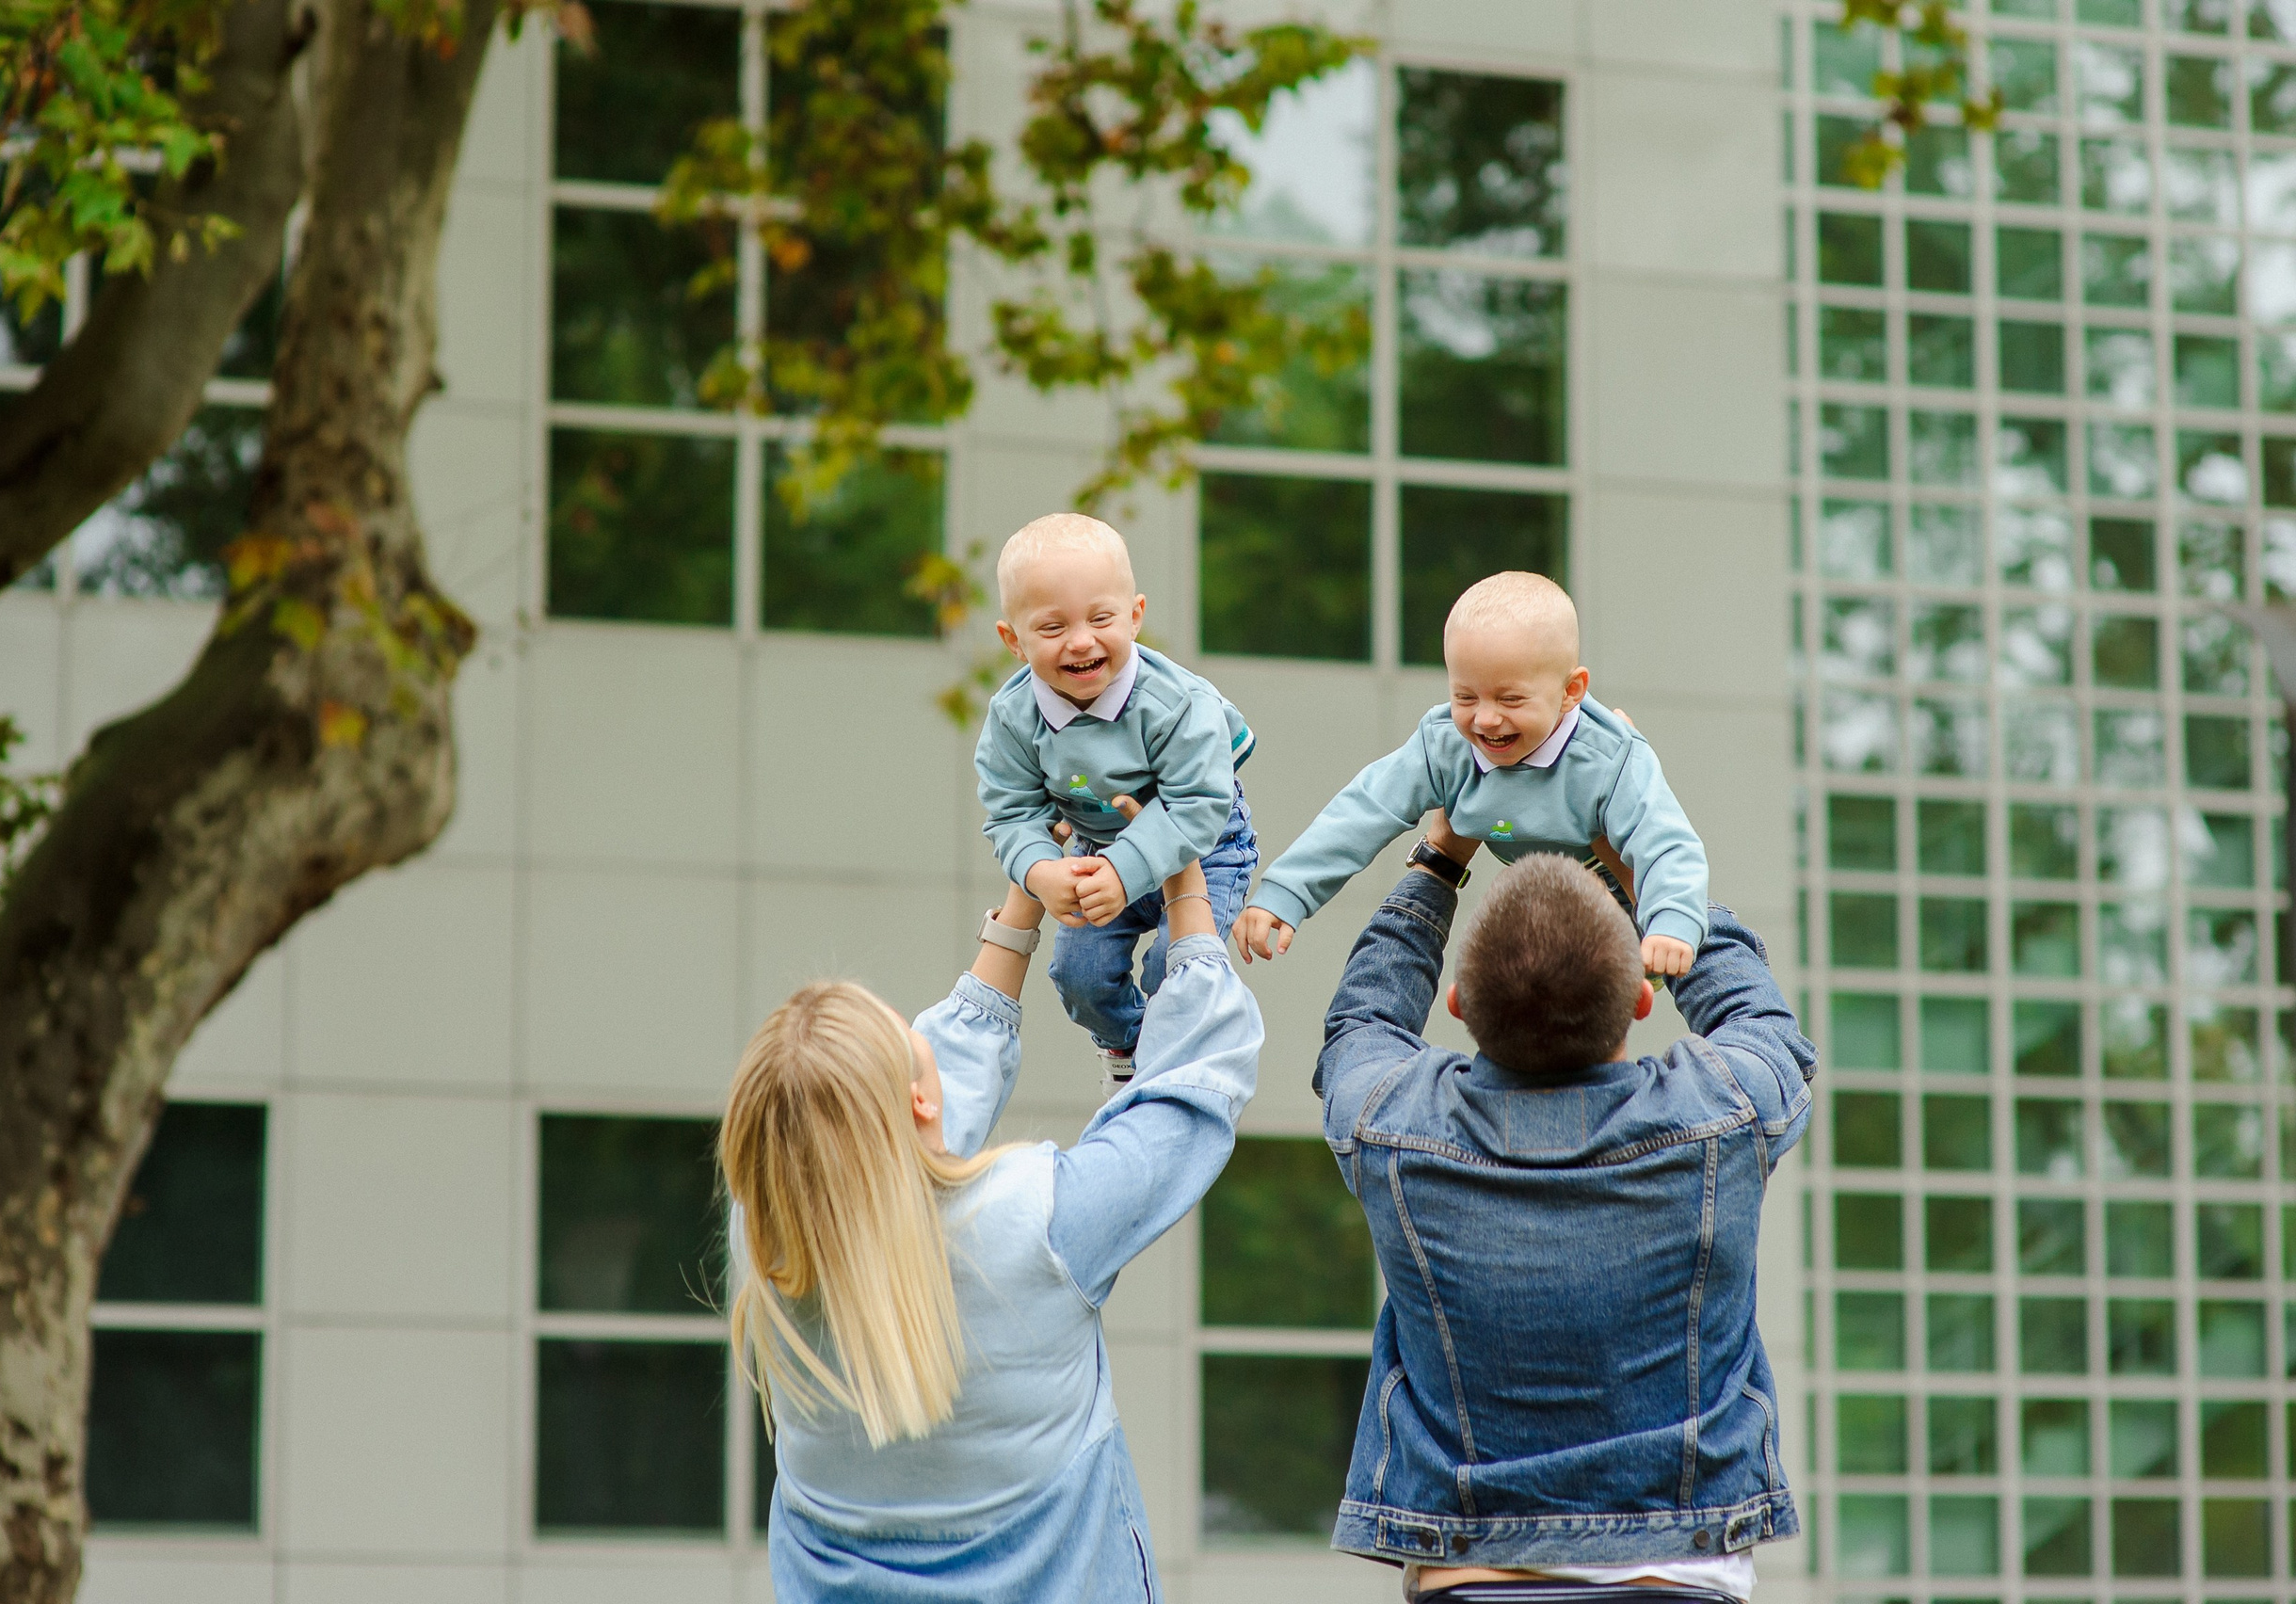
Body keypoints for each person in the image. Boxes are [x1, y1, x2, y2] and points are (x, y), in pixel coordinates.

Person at [722, 814, 1261, 1604]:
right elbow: (1192, 1094)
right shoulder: (1040, 1228)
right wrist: (1183, 880)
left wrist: (1027, 891)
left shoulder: (769, 1242)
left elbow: (883, 1144)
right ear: (917, 1101)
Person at [1312, 815, 1813, 1601]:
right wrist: (1638, 849)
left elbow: (1362, 1027)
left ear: (1457, 1004)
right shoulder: (1724, 1111)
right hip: (1678, 1572)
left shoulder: (1395, 1123)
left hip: (1466, 1568)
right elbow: (1761, 1023)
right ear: (1644, 999)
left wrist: (1438, 860)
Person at [1232, 571, 1705, 981]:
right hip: (1529, 900)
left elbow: (1665, 843)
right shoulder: (1446, 746)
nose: (1485, 720)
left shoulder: (1611, 759)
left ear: (1570, 691)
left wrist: (1671, 922)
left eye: (1510, 700)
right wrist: (1285, 892)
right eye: (1465, 697)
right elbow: (1364, 811)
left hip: (1614, 883)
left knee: (1671, 957)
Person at [974, 512, 1258, 1092]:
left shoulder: (1178, 703)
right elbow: (1012, 812)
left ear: (1135, 616)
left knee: (1172, 970)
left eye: (1100, 618)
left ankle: (1176, 1064)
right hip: (1095, 849)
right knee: (1078, 975)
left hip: (1208, 847)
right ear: (1013, 640)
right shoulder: (1013, 718)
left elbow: (1201, 804)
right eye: (1052, 628)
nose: (1081, 641)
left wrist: (1127, 870)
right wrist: (1040, 869)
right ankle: (1130, 1051)